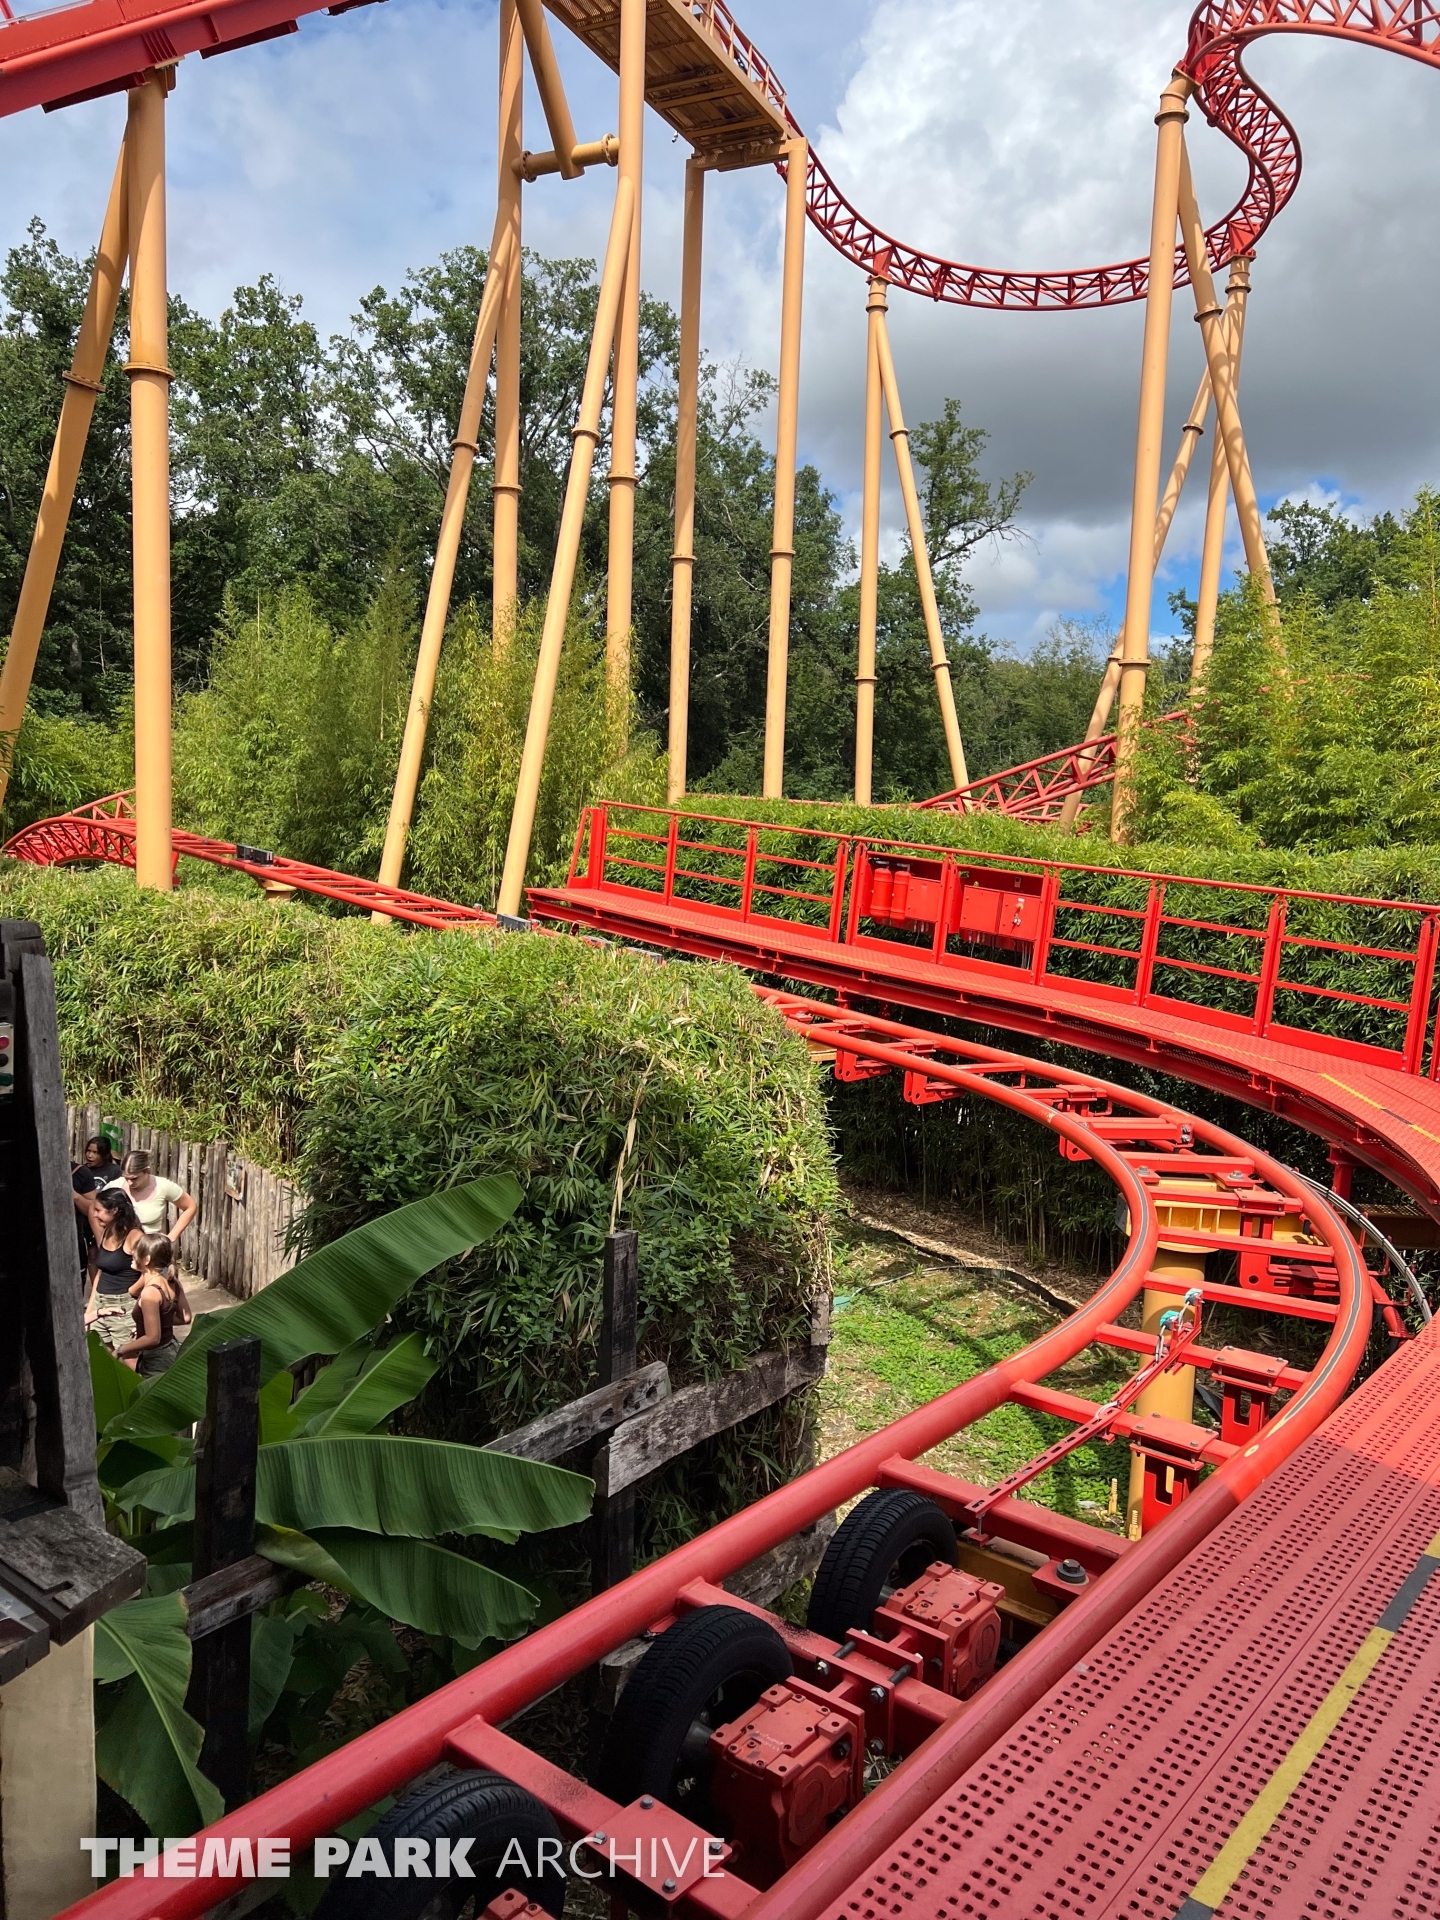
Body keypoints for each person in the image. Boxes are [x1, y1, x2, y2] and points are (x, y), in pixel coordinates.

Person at [117, 1234, 190, 1376]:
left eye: (136, 1251)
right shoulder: (172, 1282)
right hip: (171, 1348)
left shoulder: (150, 1293)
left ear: (147, 1260)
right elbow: (185, 1318)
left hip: (157, 1359)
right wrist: (150, 1323)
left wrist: (121, 1350)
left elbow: (153, 1338)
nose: (132, 1253)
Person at [84, 1188, 145, 1351]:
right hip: (100, 1305)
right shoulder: (106, 1232)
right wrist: (90, 1309)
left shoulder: (135, 1237)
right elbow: (101, 1272)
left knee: (128, 1357)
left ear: (114, 1210)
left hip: (122, 1308)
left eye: (98, 1210)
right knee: (103, 1355)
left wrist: (132, 1291)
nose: (94, 1215)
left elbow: (151, 1272)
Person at [71, 1134, 127, 1273]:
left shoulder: (114, 1171)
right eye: (88, 1151)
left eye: (95, 1152)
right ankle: (95, 1283)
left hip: (108, 1217)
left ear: (104, 1154)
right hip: (89, 1219)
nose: (90, 1155)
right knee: (92, 1255)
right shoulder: (82, 1171)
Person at [121, 1149, 197, 1243]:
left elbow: (191, 1206)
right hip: (121, 1246)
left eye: (134, 1178)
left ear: (147, 1170)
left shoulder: (162, 1186)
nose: (129, 1182)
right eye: (126, 1178)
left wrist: (171, 1236)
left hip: (150, 1247)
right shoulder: (115, 1186)